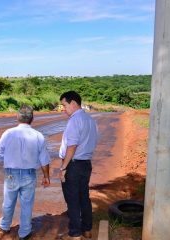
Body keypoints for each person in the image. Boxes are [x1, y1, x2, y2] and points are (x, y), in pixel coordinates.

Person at [0, 105, 51, 240]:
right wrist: (46, 176)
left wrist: (11, 159)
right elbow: (44, 159)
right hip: (29, 175)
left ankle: (4, 226)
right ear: (32, 118)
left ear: (17, 117)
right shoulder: (38, 135)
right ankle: (24, 232)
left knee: (8, 202)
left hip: (11, 173)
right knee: (27, 204)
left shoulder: (8, 133)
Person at [58, 91, 98, 240]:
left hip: (73, 165)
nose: (63, 109)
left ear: (73, 103)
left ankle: (75, 233)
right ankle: (87, 229)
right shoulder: (90, 119)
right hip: (86, 164)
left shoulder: (75, 120)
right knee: (84, 197)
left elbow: (72, 146)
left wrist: (63, 168)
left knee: (72, 199)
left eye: (64, 105)